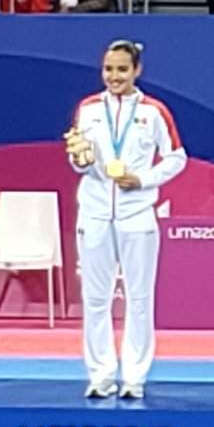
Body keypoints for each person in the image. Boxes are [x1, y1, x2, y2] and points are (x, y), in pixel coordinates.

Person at [65, 40, 188, 399]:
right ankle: (100, 374)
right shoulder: (87, 109)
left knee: (139, 298)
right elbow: (77, 158)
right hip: (94, 212)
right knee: (96, 297)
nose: (114, 76)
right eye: (108, 69)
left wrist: (144, 179)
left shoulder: (154, 112)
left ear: (137, 71)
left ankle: (134, 376)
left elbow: (176, 157)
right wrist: (81, 161)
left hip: (137, 213)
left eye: (121, 69)